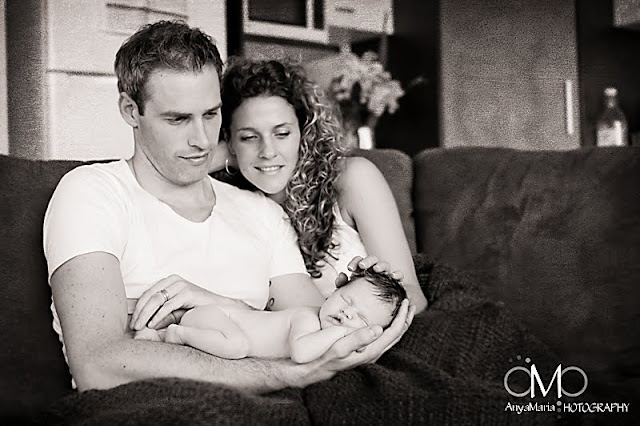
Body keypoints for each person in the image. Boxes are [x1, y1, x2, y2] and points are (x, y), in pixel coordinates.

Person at [43, 20, 413, 393]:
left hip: (277, 404)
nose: (202, 140)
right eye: (178, 119)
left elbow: (317, 330)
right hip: (155, 406)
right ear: (129, 110)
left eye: (211, 115)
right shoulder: (93, 194)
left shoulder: (262, 213)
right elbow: (98, 365)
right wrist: (282, 374)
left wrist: (374, 294)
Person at [215, 58, 428, 311]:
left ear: (303, 130)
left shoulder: (352, 179)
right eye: (249, 137)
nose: (268, 151)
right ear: (228, 139)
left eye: (282, 134)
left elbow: (412, 296)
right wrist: (230, 155)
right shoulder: (226, 200)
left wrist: (367, 318)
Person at [134, 268, 407, 364]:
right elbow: (300, 353)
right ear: (333, 291)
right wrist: (342, 331)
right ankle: (176, 334)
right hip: (217, 318)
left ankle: (156, 335)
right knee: (237, 346)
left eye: (361, 319)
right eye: (346, 300)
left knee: (235, 345)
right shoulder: (308, 318)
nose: (347, 313)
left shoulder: (322, 331)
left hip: (220, 324)